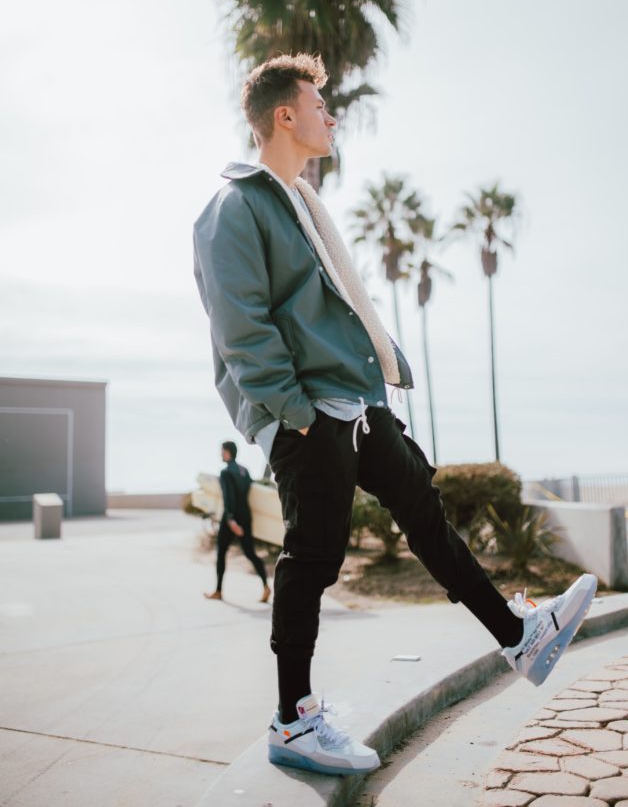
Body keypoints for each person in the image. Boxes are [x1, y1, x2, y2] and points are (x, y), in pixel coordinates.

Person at [192, 51, 597, 777]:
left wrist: (365, 392)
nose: (331, 114)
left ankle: (519, 636)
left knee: (423, 509)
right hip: (311, 410)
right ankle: (294, 719)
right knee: (313, 557)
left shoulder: (300, 203)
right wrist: (296, 413)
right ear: (285, 115)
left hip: (354, 399)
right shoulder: (236, 208)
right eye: (320, 105)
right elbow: (240, 326)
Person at [203, 439, 271, 604]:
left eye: (222, 450)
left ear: (227, 452)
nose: (220, 453)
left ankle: (218, 591)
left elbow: (229, 498)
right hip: (246, 516)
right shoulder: (244, 471)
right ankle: (265, 586)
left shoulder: (226, 472)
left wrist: (231, 520)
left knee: (221, 553)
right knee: (250, 553)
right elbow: (250, 493)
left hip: (231, 519)